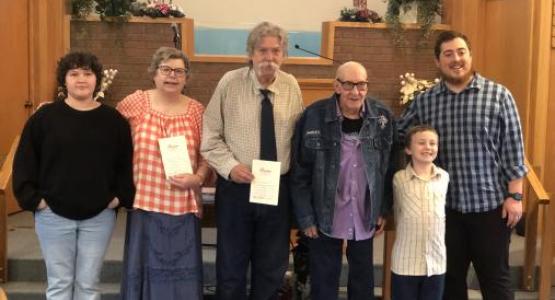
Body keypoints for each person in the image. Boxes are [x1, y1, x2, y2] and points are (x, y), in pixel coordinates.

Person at [397, 30, 527, 300]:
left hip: (490, 207)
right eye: (448, 54)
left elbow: (514, 148)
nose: (456, 59)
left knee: (496, 281)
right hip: (446, 210)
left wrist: (515, 195)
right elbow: (400, 134)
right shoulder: (426, 100)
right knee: (451, 282)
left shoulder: (498, 95)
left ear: (470, 55)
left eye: (461, 52)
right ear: (438, 61)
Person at [12, 52, 135, 300]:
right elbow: (25, 163)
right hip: (52, 215)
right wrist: (36, 201)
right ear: (64, 80)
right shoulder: (43, 119)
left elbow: (125, 165)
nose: (81, 79)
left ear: (97, 80)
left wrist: (118, 198)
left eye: (88, 74)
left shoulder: (114, 121)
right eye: (74, 73)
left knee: (88, 286)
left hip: (99, 217)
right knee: (59, 285)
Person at [200, 21, 304, 299]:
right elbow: (209, 136)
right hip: (237, 191)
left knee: (271, 270)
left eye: (276, 51)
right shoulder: (229, 83)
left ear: (283, 55)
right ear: (251, 53)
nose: (269, 58)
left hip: (277, 191)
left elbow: (299, 138)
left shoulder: (291, 86)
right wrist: (230, 167)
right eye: (262, 51)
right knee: (231, 269)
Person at [290, 61, 396, 300]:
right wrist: (306, 218)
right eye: (348, 85)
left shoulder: (383, 117)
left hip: (364, 213)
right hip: (325, 215)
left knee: (362, 285)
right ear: (336, 86)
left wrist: (382, 209)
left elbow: (389, 168)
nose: (355, 92)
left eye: (361, 85)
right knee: (324, 284)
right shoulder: (313, 117)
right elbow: (300, 173)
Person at [117, 46, 209, 300]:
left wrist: (198, 178)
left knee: (181, 276)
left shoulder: (196, 111)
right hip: (144, 204)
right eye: (166, 69)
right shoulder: (136, 102)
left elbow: (207, 155)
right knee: (143, 271)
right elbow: (108, 132)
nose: (172, 76)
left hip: (183, 205)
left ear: (186, 77)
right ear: (154, 73)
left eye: (179, 71)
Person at [391, 125, 449, 300]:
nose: (428, 147)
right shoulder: (399, 179)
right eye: (421, 143)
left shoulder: (444, 177)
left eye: (433, 143)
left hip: (436, 262)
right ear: (408, 149)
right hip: (405, 262)